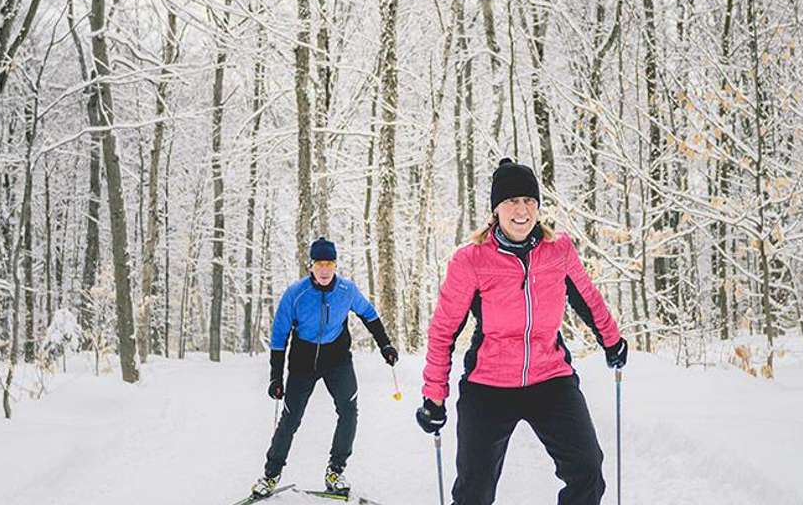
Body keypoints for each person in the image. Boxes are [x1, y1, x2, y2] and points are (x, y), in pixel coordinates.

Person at [414, 157, 628, 505]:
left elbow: (587, 297)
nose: (522, 210)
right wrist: (433, 396)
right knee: (474, 491)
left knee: (588, 471)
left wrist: (612, 339)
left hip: (550, 378)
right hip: (489, 386)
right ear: (496, 209)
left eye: (529, 200)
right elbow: (444, 331)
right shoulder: (472, 260)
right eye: (512, 201)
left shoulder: (558, 251)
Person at [250, 237, 399, 500]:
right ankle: (271, 474)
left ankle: (335, 471)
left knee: (349, 410)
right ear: (311, 265)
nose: (324, 269)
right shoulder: (296, 294)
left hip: (337, 358)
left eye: (329, 263)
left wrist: (385, 345)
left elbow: (369, 315)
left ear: (335, 265)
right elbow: (278, 337)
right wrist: (276, 377)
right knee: (290, 419)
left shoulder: (346, 290)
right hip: (303, 362)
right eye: (319, 263)